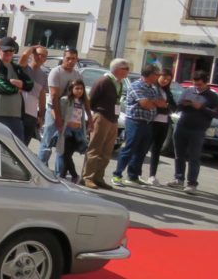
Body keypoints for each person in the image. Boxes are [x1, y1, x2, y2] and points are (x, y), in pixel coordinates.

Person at [111, 65, 167, 187]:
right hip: (135, 121)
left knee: (141, 151)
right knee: (129, 148)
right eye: (157, 74)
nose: (158, 77)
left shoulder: (153, 88)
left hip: (148, 122)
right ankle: (117, 175)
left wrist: (153, 102)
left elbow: (163, 103)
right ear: (150, 75)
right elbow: (145, 104)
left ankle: (133, 176)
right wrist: (154, 103)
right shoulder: (136, 86)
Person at [167, 70, 218, 194]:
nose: (197, 87)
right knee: (179, 154)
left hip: (198, 129)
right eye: (195, 84)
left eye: (199, 85)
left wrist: (201, 107)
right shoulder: (188, 91)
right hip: (182, 126)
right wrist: (183, 104)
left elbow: (217, 114)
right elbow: (178, 106)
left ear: (205, 83)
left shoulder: (213, 96)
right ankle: (178, 178)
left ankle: (192, 183)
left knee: (194, 157)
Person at [81, 59, 129, 189]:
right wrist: (91, 118)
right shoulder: (104, 81)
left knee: (107, 151)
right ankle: (87, 177)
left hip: (113, 119)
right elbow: (91, 100)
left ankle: (98, 177)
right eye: (126, 69)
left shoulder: (119, 83)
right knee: (95, 148)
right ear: (118, 69)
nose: (128, 71)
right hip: (102, 117)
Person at [38, 47, 81, 165]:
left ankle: (59, 173)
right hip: (54, 110)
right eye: (68, 58)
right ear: (63, 58)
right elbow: (54, 96)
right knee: (47, 142)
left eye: (74, 59)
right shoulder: (56, 72)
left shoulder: (77, 75)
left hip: (69, 112)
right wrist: (57, 117)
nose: (71, 61)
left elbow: (80, 96)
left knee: (62, 144)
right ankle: (40, 167)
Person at [0, 37, 33, 140]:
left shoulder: (16, 67)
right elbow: (3, 86)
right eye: (5, 50)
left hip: (16, 115)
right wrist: (18, 89)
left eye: (11, 50)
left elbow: (30, 84)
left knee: (18, 147)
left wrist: (19, 83)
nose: (9, 52)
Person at [146, 68, 178, 185]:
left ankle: (152, 175)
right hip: (151, 122)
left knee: (156, 150)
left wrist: (166, 106)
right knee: (143, 148)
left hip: (164, 123)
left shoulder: (167, 92)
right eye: (164, 78)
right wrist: (163, 106)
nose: (165, 81)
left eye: (168, 79)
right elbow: (152, 104)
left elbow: (174, 107)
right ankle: (134, 173)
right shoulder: (152, 88)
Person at [54, 79, 90, 182]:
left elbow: (82, 118)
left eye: (81, 89)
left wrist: (85, 130)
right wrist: (61, 126)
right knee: (65, 154)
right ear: (71, 89)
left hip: (78, 132)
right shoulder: (65, 100)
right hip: (67, 131)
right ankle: (74, 175)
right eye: (77, 88)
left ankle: (62, 176)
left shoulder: (82, 102)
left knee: (68, 154)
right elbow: (59, 114)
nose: (79, 91)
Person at [19, 45, 49, 146]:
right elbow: (24, 55)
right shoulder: (24, 67)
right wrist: (33, 47)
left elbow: (42, 97)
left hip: (32, 116)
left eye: (44, 56)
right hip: (18, 112)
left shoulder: (44, 75)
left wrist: (41, 116)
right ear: (32, 55)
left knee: (24, 146)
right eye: (39, 54)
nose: (41, 58)